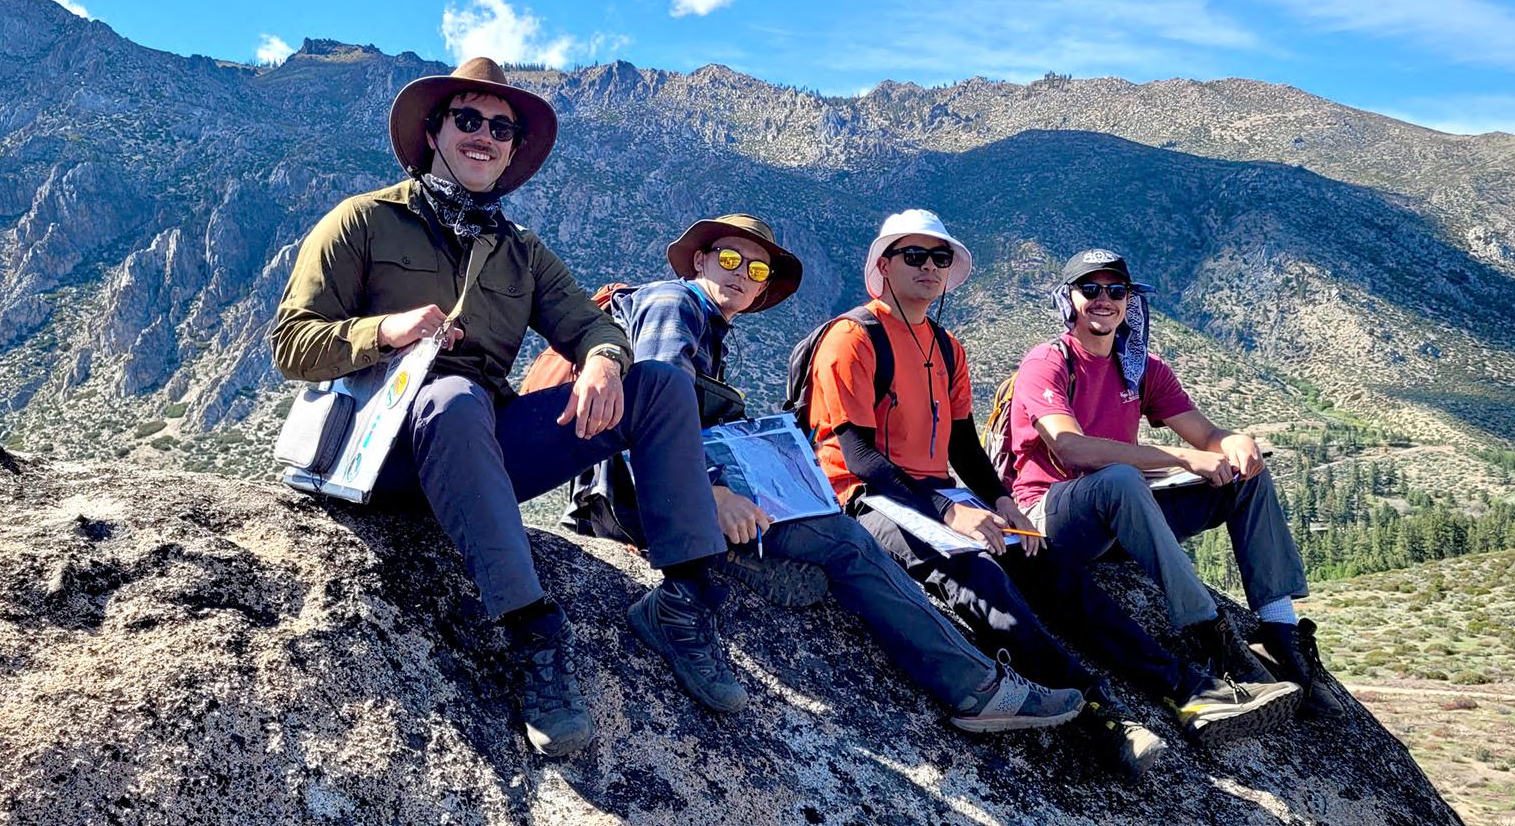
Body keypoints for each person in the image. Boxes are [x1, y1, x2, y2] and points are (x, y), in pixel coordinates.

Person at [270, 58, 742, 758]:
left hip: (480, 452)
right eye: (468, 119)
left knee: (664, 387)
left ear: (513, 149)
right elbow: (290, 342)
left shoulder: (522, 252)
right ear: (434, 131)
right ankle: (534, 635)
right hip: (385, 452)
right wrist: (386, 332)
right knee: (454, 395)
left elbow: (593, 324)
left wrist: (605, 362)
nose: (483, 136)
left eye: (501, 127)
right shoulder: (364, 222)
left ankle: (684, 601)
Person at [563, 214, 1090, 740]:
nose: (740, 273)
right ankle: (977, 690)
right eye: (727, 259)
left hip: (656, 491)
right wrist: (713, 490)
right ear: (699, 260)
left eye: (756, 268)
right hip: (645, 491)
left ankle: (745, 567)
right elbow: (654, 412)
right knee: (845, 542)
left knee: (813, 550)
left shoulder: (708, 327)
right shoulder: (674, 305)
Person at [800, 209, 1170, 774]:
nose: (929, 267)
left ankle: (1171, 678)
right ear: (884, 265)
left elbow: (965, 448)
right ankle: (1099, 714)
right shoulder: (854, 338)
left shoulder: (947, 348)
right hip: (869, 499)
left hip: (937, 491)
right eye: (914, 256)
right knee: (979, 576)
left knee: (1048, 562)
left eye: (939, 257)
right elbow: (862, 460)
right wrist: (950, 511)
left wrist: (999, 501)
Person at [1004, 247, 1342, 726]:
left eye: (1115, 291)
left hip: (1124, 515)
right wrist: (1185, 457)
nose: (1104, 300)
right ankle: (1210, 633)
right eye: (1090, 289)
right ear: (1069, 299)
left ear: (1129, 301)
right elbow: (1072, 450)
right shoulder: (1048, 362)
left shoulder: (1142, 368)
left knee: (1246, 476)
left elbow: (1207, 436)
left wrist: (1236, 442)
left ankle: (1280, 629)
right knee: (1119, 477)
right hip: (1053, 516)